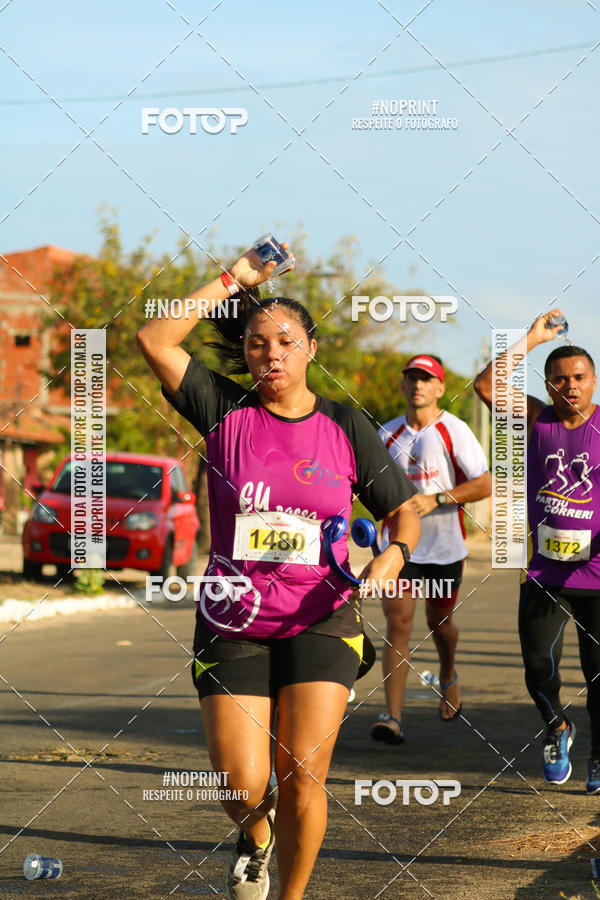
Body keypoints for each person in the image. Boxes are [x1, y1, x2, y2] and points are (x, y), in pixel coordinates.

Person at [136, 241, 420, 900]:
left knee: (303, 774)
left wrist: (394, 552)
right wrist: (238, 277)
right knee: (243, 783)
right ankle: (255, 833)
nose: (272, 353)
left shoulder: (346, 427)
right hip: (234, 619)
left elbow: (404, 511)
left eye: (287, 341)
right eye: (259, 342)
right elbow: (155, 337)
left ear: (311, 351)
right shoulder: (226, 412)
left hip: (321, 616)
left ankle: (290, 896)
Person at [475, 309, 600, 792]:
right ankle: (557, 729)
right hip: (545, 574)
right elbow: (487, 387)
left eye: (579, 378)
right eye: (560, 379)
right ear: (547, 385)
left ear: (593, 381)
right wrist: (530, 339)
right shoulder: (536, 419)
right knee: (538, 666)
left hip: (597, 577)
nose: (571, 386)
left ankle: (599, 757)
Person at [372, 354, 491, 744]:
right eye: (412, 378)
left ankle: (448, 672)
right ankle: (392, 716)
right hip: (400, 550)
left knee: (439, 625)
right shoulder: (386, 435)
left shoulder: (452, 430)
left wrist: (438, 499)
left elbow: (485, 483)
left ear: (440, 387)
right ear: (403, 385)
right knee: (398, 624)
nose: (419, 385)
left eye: (427, 379)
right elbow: (368, 489)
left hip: (444, 549)